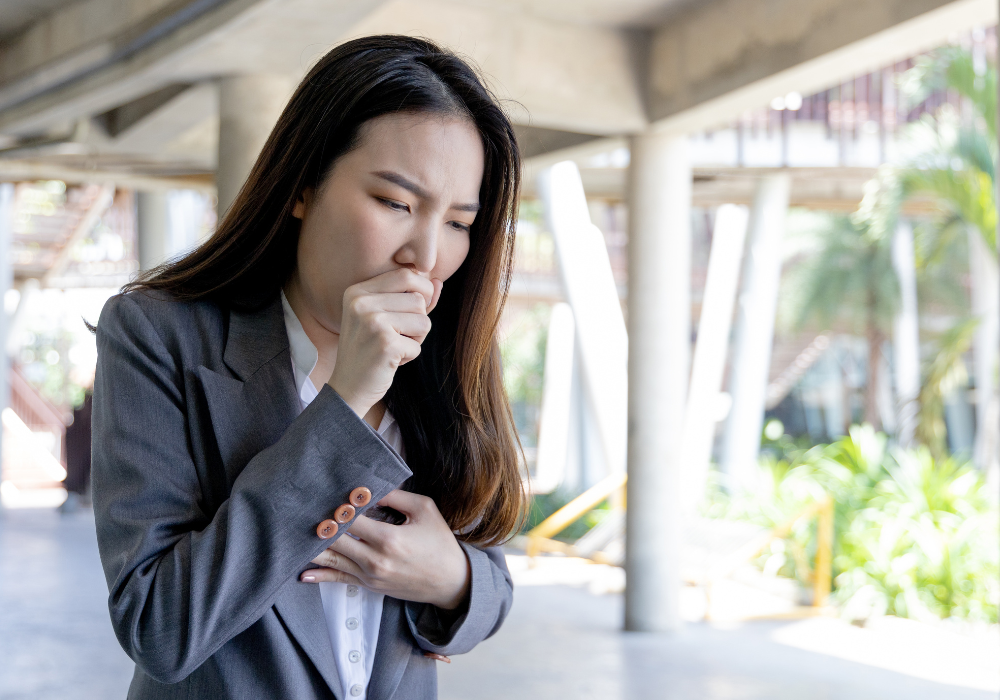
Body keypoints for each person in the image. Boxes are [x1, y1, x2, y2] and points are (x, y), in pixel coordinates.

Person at [91, 35, 525, 700]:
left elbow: (491, 580)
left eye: (460, 222)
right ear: (303, 186)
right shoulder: (159, 334)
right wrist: (346, 401)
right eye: (395, 203)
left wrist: (453, 581)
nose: (426, 253)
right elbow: (159, 626)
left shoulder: (443, 354)